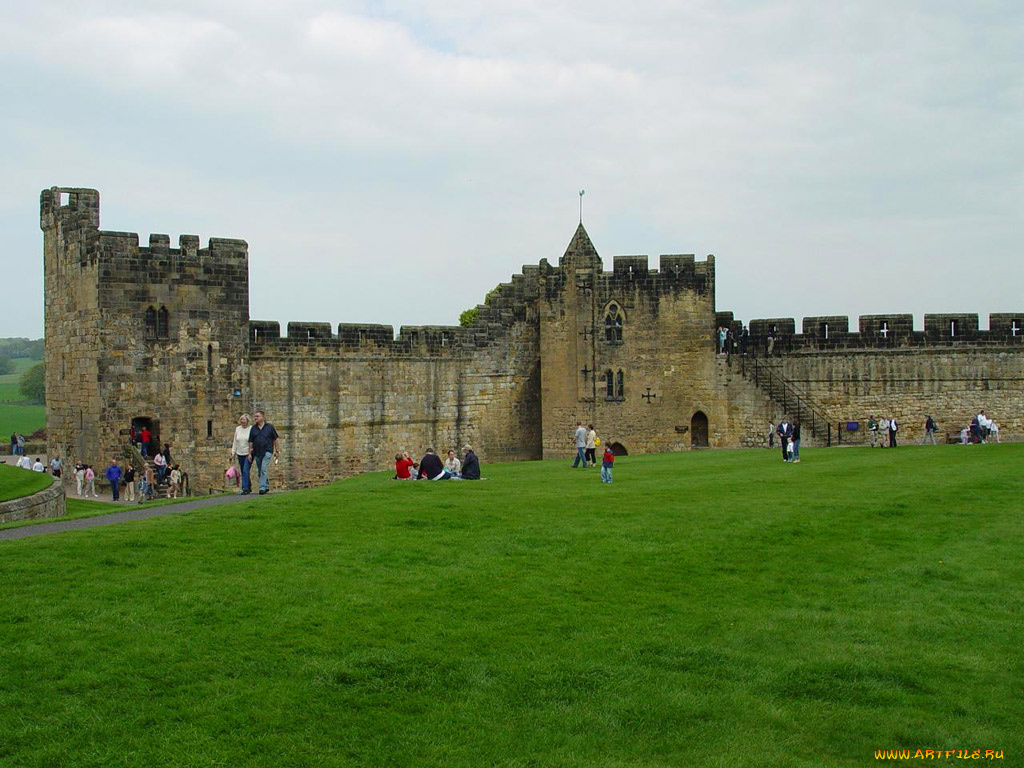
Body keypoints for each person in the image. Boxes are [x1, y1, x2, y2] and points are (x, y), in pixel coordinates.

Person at [248, 409, 280, 495]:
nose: (255, 418)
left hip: (267, 451)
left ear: (263, 417)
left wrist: (277, 450)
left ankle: (262, 488)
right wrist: (250, 453)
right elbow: (250, 441)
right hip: (257, 452)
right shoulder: (253, 428)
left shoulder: (269, 427)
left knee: (263, 468)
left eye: (257, 416)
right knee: (260, 470)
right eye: (255, 416)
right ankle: (266, 486)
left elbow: (275, 439)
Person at [231, 413, 253, 494]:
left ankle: (245, 488)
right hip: (240, 453)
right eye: (241, 419)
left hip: (248, 453)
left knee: (245, 470)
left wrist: (251, 452)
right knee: (244, 470)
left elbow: (252, 441)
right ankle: (249, 486)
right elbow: (235, 442)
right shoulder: (237, 429)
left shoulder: (251, 429)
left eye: (244, 419)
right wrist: (233, 452)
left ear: (247, 421)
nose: (242, 421)